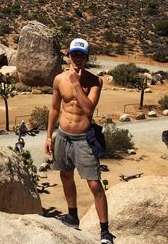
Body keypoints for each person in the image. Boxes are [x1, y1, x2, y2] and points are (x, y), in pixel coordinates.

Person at [44, 38, 115, 244]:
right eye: (74, 55)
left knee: (94, 184)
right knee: (66, 175)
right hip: (63, 136)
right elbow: (54, 108)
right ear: (68, 57)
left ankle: (105, 232)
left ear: (86, 59)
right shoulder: (59, 79)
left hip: (84, 139)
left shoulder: (95, 81)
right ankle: (72, 216)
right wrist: (49, 136)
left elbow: (89, 109)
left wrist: (76, 84)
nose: (77, 59)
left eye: (81, 56)